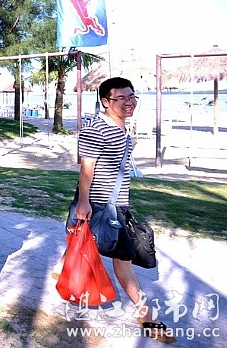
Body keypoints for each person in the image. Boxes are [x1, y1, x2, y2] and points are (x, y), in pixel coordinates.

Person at [54, 77, 175, 343]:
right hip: (101, 206)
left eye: (132, 97)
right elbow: (87, 168)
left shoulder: (121, 128)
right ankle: (146, 316)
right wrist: (84, 202)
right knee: (123, 260)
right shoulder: (96, 129)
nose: (128, 102)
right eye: (121, 98)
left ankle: (61, 266)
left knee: (83, 240)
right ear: (106, 102)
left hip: (115, 204)